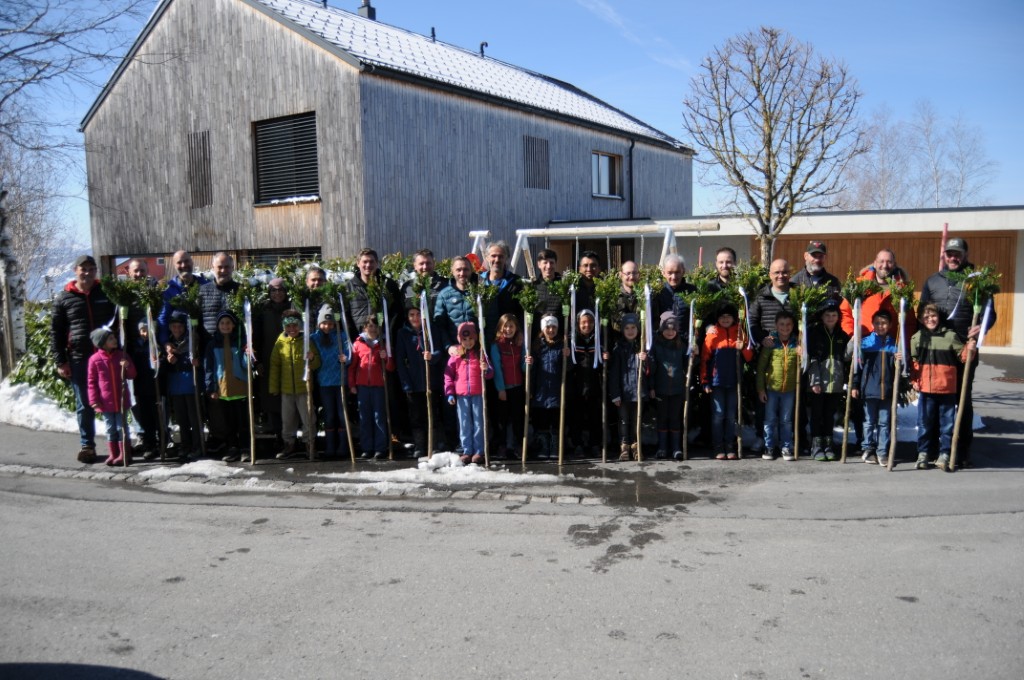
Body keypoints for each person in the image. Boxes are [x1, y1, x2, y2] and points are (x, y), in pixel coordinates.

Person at [918, 237, 996, 468]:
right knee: (934, 398)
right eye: (949, 253)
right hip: (937, 350)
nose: (953, 257)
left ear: (965, 255)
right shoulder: (933, 281)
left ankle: (960, 451)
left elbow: (990, 313)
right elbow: (922, 311)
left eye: (957, 254)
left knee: (962, 399)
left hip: (964, 348)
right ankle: (933, 449)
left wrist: (982, 326)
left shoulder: (977, 282)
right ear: (944, 255)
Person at [51, 254, 117, 463]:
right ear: (75, 271)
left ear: (96, 271)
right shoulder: (64, 298)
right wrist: (61, 361)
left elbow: (117, 322)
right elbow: (56, 332)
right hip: (79, 358)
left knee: (115, 400)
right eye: (83, 269)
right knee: (84, 404)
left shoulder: (106, 292)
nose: (87, 273)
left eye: (91, 269)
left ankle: (118, 444)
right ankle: (87, 446)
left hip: (107, 357)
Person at [910, 303, 972, 471]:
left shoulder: (950, 336)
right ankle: (923, 453)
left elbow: (963, 357)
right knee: (924, 423)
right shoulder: (917, 338)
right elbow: (914, 362)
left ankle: (945, 453)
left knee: (947, 425)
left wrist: (970, 346)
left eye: (933, 316)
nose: (930, 319)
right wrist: (914, 379)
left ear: (939, 317)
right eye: (926, 317)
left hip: (947, 389)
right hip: (926, 389)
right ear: (921, 319)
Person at [701, 303, 753, 460]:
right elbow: (704, 359)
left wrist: (743, 347)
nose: (725, 319)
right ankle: (718, 445)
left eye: (728, 316)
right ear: (717, 318)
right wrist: (705, 381)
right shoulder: (713, 334)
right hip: (717, 382)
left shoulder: (740, 332)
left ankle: (730, 444)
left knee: (731, 415)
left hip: (734, 381)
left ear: (734, 318)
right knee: (718, 415)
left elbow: (749, 357)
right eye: (722, 317)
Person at [848, 310, 899, 466]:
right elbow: (857, 367)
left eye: (884, 323)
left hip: (887, 391)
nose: (880, 326)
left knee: (884, 422)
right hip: (869, 389)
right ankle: (868, 449)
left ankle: (882, 452)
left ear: (890, 325)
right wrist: (855, 385)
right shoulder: (865, 343)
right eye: (877, 323)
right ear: (872, 324)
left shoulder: (894, 345)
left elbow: (901, 370)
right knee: (869, 421)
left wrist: (900, 360)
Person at [270, 308, 321, 461]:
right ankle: (289, 444)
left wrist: (312, 358)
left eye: (295, 325)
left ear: (300, 326)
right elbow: (275, 365)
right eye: (288, 326)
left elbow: (317, 363)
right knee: (288, 419)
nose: (292, 329)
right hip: (286, 390)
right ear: (284, 327)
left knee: (308, 418)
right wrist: (274, 387)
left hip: (304, 389)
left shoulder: (307, 341)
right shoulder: (280, 343)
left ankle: (309, 444)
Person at [395, 303, 445, 457]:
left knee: (433, 414)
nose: (415, 318)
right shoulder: (403, 333)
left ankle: (434, 445)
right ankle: (420, 445)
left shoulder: (431, 330)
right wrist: (406, 383)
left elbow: (440, 351)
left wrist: (432, 357)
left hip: (431, 381)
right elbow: (400, 360)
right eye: (412, 315)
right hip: (413, 383)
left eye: (418, 314)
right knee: (416, 416)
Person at [805, 302, 850, 461]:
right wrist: (815, 381)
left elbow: (846, 357)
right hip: (818, 383)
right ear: (822, 317)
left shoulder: (841, 335)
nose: (831, 318)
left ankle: (828, 444)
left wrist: (853, 341)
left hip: (835, 383)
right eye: (827, 315)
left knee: (829, 415)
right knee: (817, 414)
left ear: (838, 317)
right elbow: (812, 359)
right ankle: (816, 445)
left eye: (834, 315)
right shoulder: (815, 334)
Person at [444, 321, 493, 464]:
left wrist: (486, 369)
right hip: (462, 395)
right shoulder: (456, 355)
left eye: (471, 338)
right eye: (464, 339)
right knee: (464, 423)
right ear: (460, 339)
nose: (468, 342)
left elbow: (490, 373)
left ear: (476, 338)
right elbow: (448, 375)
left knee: (479, 422)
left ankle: (479, 451)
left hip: (478, 393)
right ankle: (467, 450)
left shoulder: (480, 353)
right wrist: (449, 392)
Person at [87, 327, 137, 466]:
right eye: (110, 339)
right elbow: (91, 382)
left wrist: (127, 366)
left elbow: (132, 375)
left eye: (114, 337)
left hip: (121, 400)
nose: (114, 340)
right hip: (105, 402)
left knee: (122, 427)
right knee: (110, 428)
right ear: (102, 343)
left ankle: (124, 454)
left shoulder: (122, 356)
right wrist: (94, 400)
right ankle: (113, 453)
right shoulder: (94, 360)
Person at [204, 310, 249, 462]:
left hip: (241, 388)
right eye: (222, 323)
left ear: (233, 325)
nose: (225, 326)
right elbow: (209, 368)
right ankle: (233, 447)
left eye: (228, 323)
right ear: (218, 325)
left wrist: (248, 354)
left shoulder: (240, 341)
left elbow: (246, 365)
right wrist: (211, 388)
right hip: (223, 390)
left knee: (243, 422)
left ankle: (245, 448)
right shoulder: (212, 344)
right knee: (229, 423)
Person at [348, 316, 395, 460]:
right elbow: (352, 366)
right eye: (370, 326)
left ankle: (380, 448)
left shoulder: (383, 344)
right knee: (365, 417)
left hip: (379, 386)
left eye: (375, 326)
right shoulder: (358, 344)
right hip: (362, 386)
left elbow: (390, 367)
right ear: (364, 328)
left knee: (379, 417)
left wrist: (386, 357)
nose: (373, 329)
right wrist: (352, 384)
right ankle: (367, 448)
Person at [756, 309, 800, 461]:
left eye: (788, 324)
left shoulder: (797, 343)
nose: (785, 327)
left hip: (789, 389)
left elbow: (803, 367)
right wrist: (761, 389)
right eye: (781, 324)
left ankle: (786, 446)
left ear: (793, 326)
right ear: (776, 325)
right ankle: (769, 446)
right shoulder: (771, 343)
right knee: (769, 419)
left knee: (786, 420)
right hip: (771, 389)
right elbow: (761, 368)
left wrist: (803, 354)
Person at [526, 314, 568, 460]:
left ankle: (555, 445)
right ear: (543, 329)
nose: (551, 330)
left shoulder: (562, 345)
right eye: (548, 327)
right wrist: (530, 364)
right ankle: (543, 445)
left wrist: (567, 357)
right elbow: (532, 372)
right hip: (541, 392)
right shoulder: (536, 346)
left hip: (556, 391)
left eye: (553, 327)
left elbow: (568, 369)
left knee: (556, 421)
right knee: (541, 421)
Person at [311, 305, 351, 459]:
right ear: (319, 323)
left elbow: (350, 354)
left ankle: (343, 446)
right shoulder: (314, 338)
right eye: (324, 323)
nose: (327, 326)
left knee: (342, 415)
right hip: (324, 383)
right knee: (329, 415)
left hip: (340, 381)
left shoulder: (342, 336)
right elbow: (309, 353)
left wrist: (346, 359)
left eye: (330, 323)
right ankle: (330, 445)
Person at [162, 311, 202, 461]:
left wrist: (197, 362)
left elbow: (200, 358)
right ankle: (185, 445)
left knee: (194, 418)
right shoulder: (168, 344)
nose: (177, 329)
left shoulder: (192, 340)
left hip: (190, 383)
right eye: (174, 326)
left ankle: (197, 445)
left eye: (180, 326)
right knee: (181, 419)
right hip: (176, 385)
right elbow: (163, 365)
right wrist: (168, 360)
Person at [256, 278, 291, 446]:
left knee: (289, 399)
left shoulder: (292, 308)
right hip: (268, 359)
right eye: (274, 290)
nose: (277, 293)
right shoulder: (263, 310)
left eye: (281, 290)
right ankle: (278, 435)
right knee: (272, 397)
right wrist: (258, 362)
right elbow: (256, 337)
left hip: (289, 360)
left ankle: (290, 437)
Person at [608, 313, 648, 461]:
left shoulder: (642, 347)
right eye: (627, 328)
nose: (630, 331)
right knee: (624, 420)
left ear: (638, 329)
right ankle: (624, 446)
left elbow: (650, 370)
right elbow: (614, 374)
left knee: (637, 419)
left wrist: (646, 360)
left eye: (633, 327)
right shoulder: (618, 349)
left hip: (638, 391)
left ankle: (636, 445)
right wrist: (615, 394)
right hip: (624, 392)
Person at [648, 312, 686, 460]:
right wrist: (651, 386)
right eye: (667, 329)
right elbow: (652, 369)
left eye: (673, 329)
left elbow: (688, 363)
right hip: (661, 388)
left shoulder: (681, 345)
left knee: (675, 418)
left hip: (677, 388)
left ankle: (676, 448)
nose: (670, 332)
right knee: (662, 418)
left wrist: (693, 354)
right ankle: (662, 447)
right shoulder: (656, 346)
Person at [489, 313, 526, 460]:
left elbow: (523, 367)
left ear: (516, 328)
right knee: (502, 419)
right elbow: (497, 368)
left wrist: (528, 363)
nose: (508, 329)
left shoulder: (520, 343)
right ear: (500, 327)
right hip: (503, 388)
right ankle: (502, 445)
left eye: (511, 326)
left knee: (518, 418)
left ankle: (517, 445)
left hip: (518, 387)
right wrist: (501, 389)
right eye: (506, 326)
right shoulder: (497, 345)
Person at [344, 248, 400, 338]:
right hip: (359, 340)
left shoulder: (388, 285)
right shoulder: (349, 287)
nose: (368, 265)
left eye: (371, 262)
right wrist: (354, 337)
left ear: (377, 263)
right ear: (358, 263)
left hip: (383, 339)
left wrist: (389, 334)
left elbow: (396, 312)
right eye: (365, 262)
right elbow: (346, 315)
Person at [569, 309, 602, 457]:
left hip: (595, 385)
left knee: (595, 416)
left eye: (590, 322)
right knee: (576, 417)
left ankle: (595, 443)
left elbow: (603, 366)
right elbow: (569, 367)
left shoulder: (599, 340)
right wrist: (567, 356)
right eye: (583, 322)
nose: (587, 325)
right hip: (577, 385)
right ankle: (578, 444)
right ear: (578, 324)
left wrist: (605, 358)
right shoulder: (573, 341)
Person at [158, 250, 208, 344]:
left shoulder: (205, 285)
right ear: (174, 265)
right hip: (180, 342)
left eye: (186, 261)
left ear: (192, 262)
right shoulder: (169, 289)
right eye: (179, 262)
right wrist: (165, 342)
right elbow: (163, 317)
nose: (184, 265)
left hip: (205, 339)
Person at [480, 241, 523, 345]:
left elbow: (521, 311)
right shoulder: (479, 281)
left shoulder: (516, 282)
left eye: (501, 256)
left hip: (508, 338)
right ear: (487, 257)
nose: (497, 260)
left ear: (506, 258)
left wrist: (520, 331)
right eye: (493, 256)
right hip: (484, 338)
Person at [433, 255, 478, 351]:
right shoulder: (444, 295)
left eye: (466, 269)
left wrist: (484, 346)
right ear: (452, 271)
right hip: (455, 349)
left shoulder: (480, 293)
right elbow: (439, 325)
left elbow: (491, 321)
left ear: (471, 270)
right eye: (458, 270)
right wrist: (448, 346)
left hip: (478, 349)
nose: (462, 273)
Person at [749, 259, 793, 346]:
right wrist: (762, 338)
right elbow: (751, 322)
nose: (781, 276)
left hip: (793, 347)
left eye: (784, 272)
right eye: (777, 272)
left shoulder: (799, 295)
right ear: (770, 275)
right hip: (769, 348)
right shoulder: (760, 296)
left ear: (789, 274)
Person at [400, 249, 447, 315]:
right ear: (415, 266)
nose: (425, 267)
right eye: (421, 264)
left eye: (428, 263)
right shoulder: (407, 287)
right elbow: (402, 313)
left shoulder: (446, 285)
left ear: (434, 264)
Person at [531, 249, 562, 337]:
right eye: (545, 262)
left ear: (555, 264)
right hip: (538, 337)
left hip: (559, 336)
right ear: (539, 264)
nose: (548, 266)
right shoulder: (532, 287)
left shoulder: (564, 286)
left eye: (551, 263)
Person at [575, 250, 601, 315]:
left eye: (593, 265)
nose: (589, 269)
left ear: (599, 268)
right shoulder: (573, 289)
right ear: (579, 269)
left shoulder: (605, 289)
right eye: (585, 265)